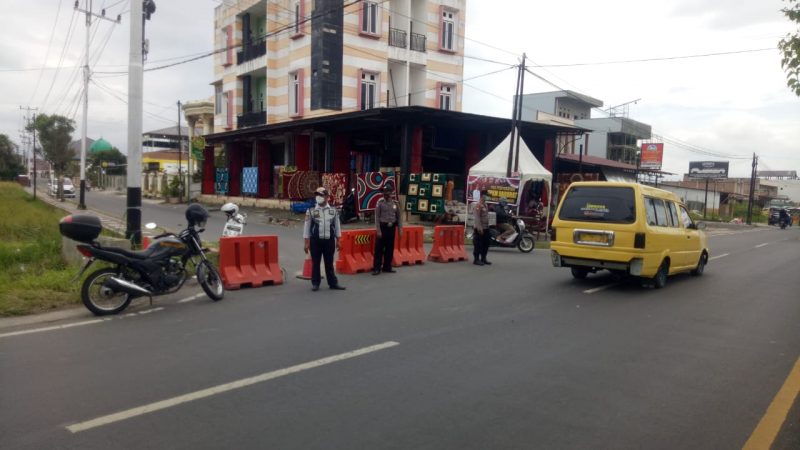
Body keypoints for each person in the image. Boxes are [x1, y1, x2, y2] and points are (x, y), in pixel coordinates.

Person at [303, 187, 346, 291]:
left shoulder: (333, 211)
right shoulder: (311, 211)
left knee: (329, 263)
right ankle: (315, 283)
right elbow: (307, 227)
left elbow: (337, 226)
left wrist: (338, 241)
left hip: (329, 241)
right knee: (316, 263)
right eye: (317, 195)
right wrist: (306, 242)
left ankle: (333, 283)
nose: (318, 197)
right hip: (315, 242)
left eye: (321, 195)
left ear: (327, 197)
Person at [372, 185, 402, 275]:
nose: (385, 195)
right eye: (384, 194)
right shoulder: (380, 203)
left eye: (387, 194)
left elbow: (399, 217)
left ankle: (387, 266)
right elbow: (377, 218)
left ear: (391, 193)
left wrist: (400, 229)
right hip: (382, 227)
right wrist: (378, 230)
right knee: (379, 249)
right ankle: (377, 268)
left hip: (391, 228)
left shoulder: (395, 204)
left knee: (389, 249)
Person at [472, 190, 491, 266]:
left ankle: (483, 258)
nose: (487, 197)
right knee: (478, 244)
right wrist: (480, 228)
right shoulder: (478, 205)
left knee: (486, 244)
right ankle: (476, 259)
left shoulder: (485, 205)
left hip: (486, 227)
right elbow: (477, 218)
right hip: (480, 229)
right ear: (482, 195)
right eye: (486, 195)